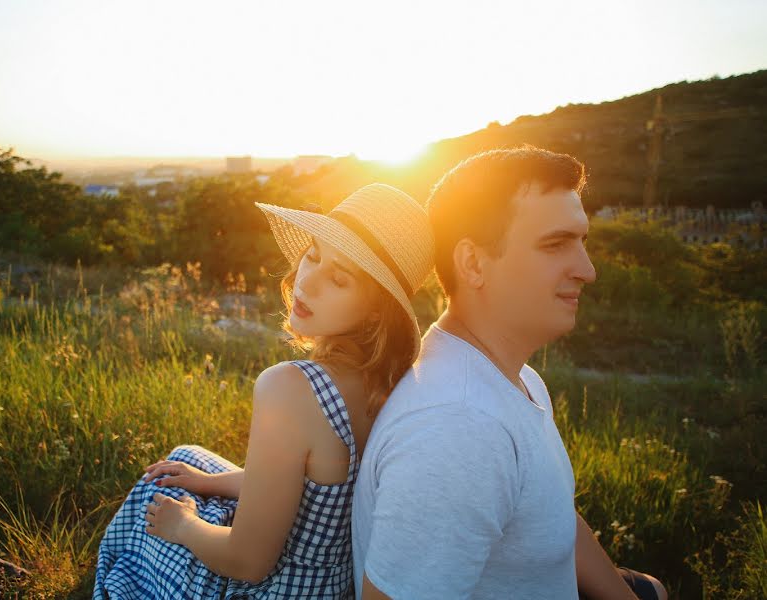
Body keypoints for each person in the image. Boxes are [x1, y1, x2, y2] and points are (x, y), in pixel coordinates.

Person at [352, 147, 668, 600]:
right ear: (474, 264)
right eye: (555, 244)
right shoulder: (458, 429)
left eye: (583, 242)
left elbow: (554, 518)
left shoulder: (511, 377)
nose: (588, 270)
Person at [94, 183, 434, 599]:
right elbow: (313, 491)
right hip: (333, 586)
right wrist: (210, 482)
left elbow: (248, 562)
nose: (308, 282)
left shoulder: (290, 387)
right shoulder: (391, 380)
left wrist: (181, 525)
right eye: (312, 255)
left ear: (377, 309)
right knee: (188, 460)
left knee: (155, 498)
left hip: (271, 589)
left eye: (339, 278)